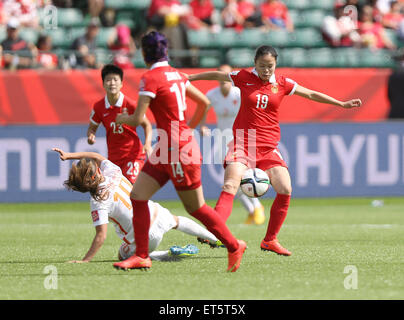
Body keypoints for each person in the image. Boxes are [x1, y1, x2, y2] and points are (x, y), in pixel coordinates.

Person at [186, 45, 362, 256]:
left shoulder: (283, 83)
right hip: (244, 142)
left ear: (276, 64)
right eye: (262, 66)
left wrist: (341, 104)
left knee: (285, 188)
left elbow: (312, 94)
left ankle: (270, 240)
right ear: (255, 63)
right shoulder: (242, 76)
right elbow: (217, 74)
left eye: (270, 66)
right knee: (231, 184)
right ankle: (212, 232)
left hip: (269, 146)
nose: (266, 70)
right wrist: (189, 77)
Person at [113, 31, 246, 272]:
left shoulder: (150, 78)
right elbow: (204, 103)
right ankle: (142, 255)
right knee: (137, 196)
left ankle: (234, 245)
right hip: (169, 145)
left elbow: (137, 118)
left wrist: (122, 118)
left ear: (144, 53)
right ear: (166, 52)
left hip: (176, 150)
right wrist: (188, 129)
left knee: (196, 208)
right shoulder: (176, 74)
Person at [52, 148, 222, 263]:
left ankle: (166, 254)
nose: (93, 164)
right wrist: (70, 155)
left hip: (145, 237)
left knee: (121, 255)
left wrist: (85, 260)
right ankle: (216, 239)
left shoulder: (98, 201)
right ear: (96, 173)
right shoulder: (113, 171)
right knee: (177, 221)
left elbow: (101, 236)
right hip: (156, 213)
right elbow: (97, 157)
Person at [199, 64, 265, 225]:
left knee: (243, 175)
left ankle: (257, 208)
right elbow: (203, 108)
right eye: (221, 76)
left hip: (242, 137)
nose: (224, 80)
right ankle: (252, 211)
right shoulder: (212, 95)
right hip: (223, 138)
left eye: (226, 76)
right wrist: (202, 125)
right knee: (229, 179)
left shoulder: (238, 93)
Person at [87, 64, 152, 184]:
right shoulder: (99, 107)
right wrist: (91, 136)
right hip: (113, 158)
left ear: (121, 83)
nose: (112, 83)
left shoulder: (131, 105)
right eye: (108, 80)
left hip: (133, 155)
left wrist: (147, 144)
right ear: (103, 84)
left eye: (115, 80)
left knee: (131, 188)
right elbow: (92, 129)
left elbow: (147, 125)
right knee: (114, 192)